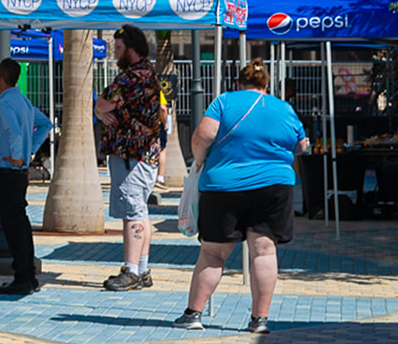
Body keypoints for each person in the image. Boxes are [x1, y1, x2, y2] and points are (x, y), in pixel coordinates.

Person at [171, 60, 309, 335]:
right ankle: (260, 319)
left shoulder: (223, 102)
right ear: (266, 86)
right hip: (274, 186)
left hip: (223, 185)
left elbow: (202, 137)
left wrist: (200, 164)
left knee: (213, 253)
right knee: (264, 251)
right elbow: (301, 145)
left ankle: (193, 313)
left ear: (238, 84)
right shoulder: (284, 108)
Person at [95, 24, 164, 291]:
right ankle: (142, 268)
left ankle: (131, 269)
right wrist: (103, 111)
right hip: (143, 155)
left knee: (132, 212)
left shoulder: (132, 76)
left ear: (131, 49)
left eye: (119, 48)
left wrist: (101, 112)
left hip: (131, 155)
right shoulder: (148, 73)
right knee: (140, 211)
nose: (116, 53)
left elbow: (102, 103)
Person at [0, 59, 52, 296]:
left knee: (13, 226)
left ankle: (22, 277)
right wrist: (30, 151)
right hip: (19, 172)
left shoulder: (5, 102)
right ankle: (27, 275)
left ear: (0, 76)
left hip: (9, 170)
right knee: (21, 224)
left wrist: (18, 155)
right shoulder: (23, 101)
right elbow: (45, 124)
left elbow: (14, 131)